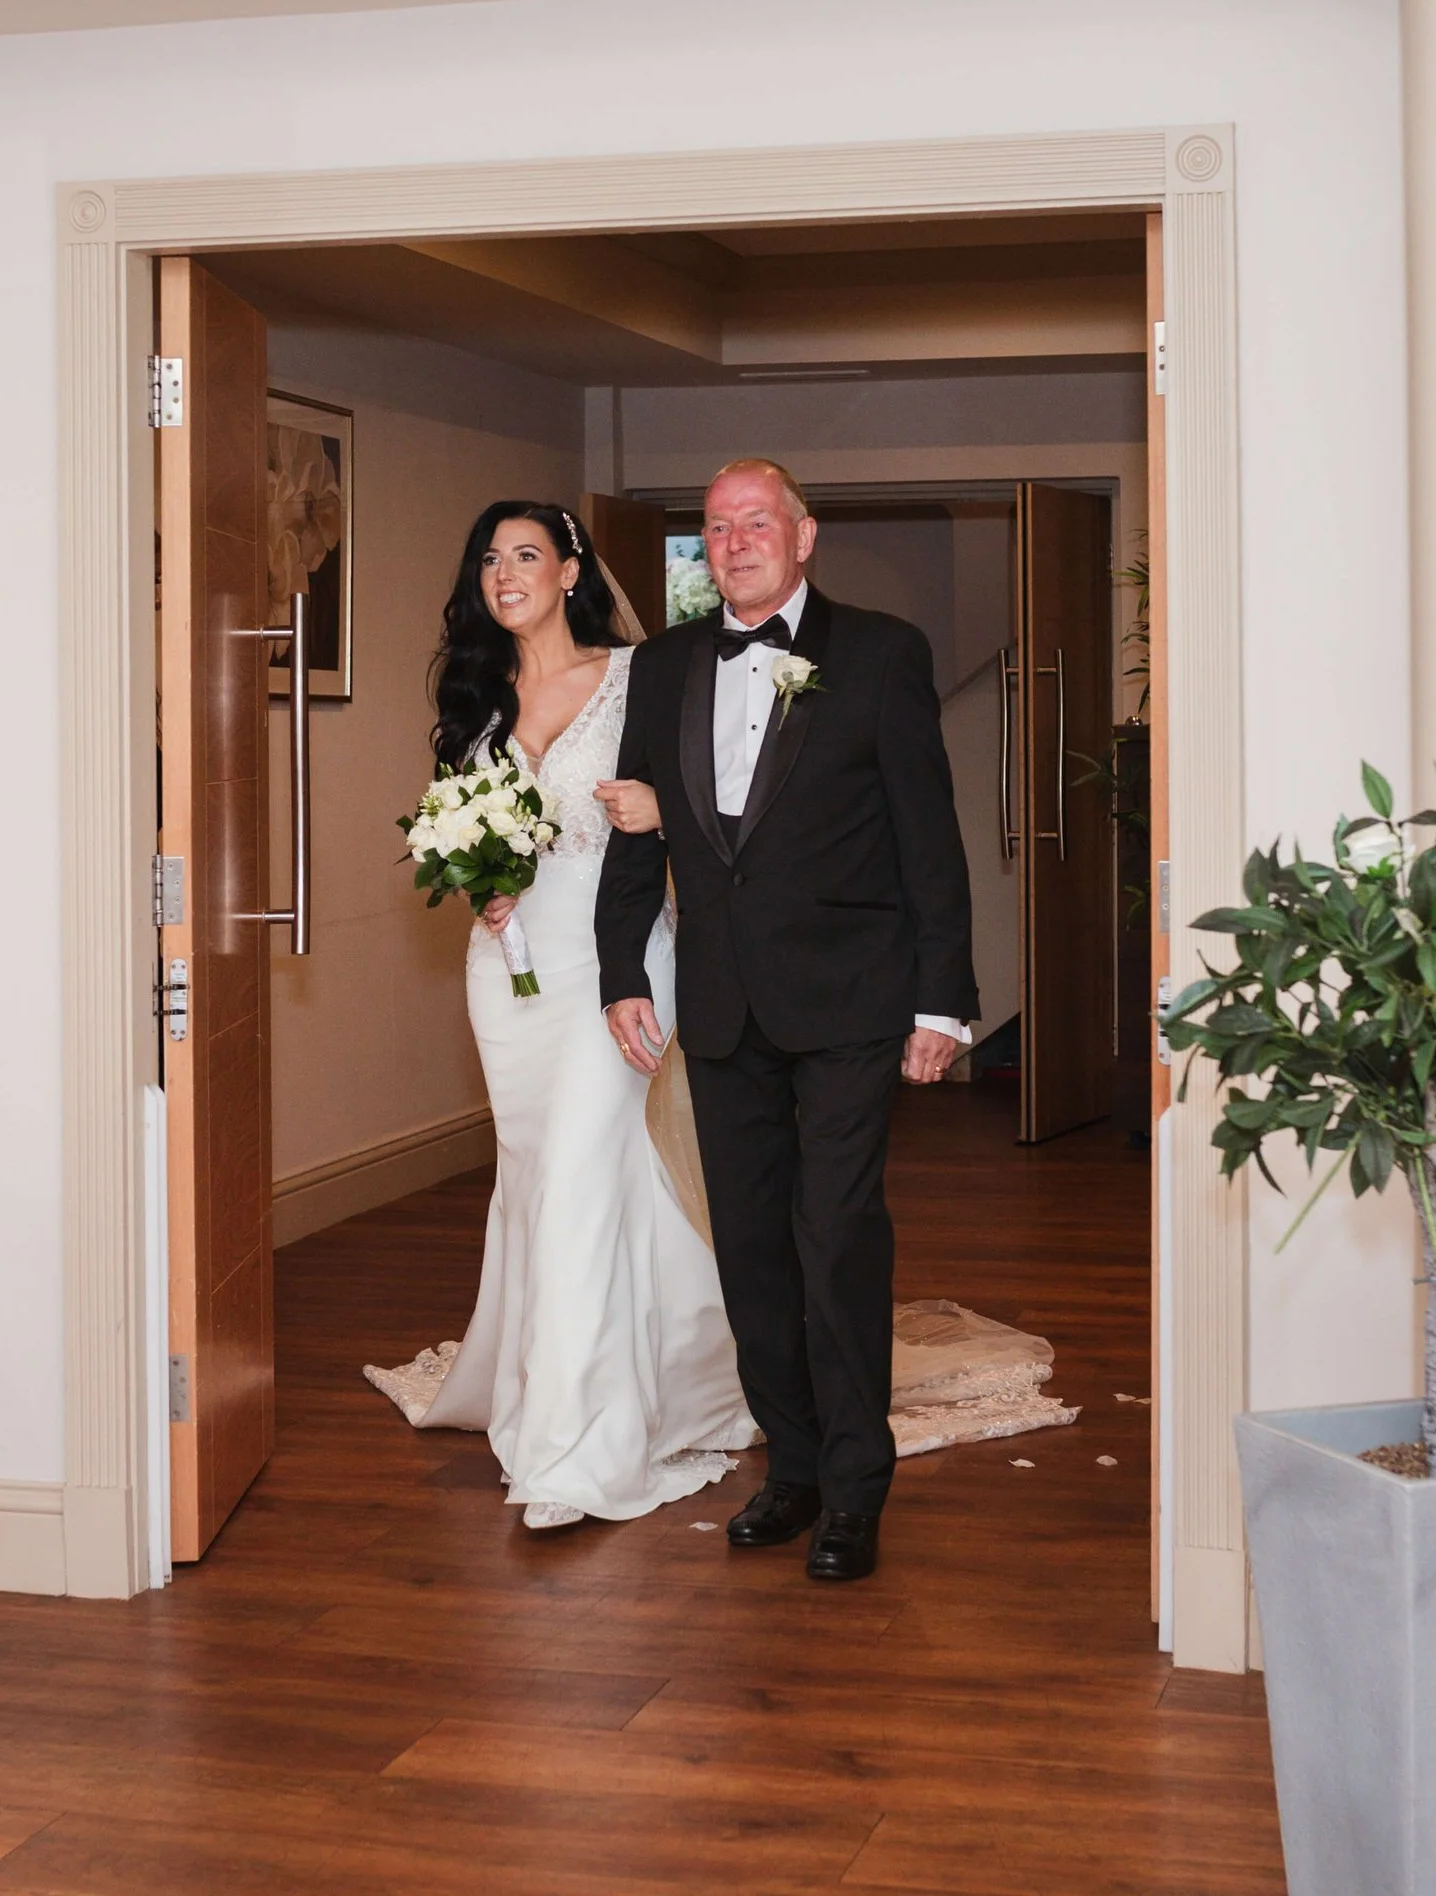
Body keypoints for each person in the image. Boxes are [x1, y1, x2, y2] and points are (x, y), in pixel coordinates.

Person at [595, 458, 979, 1583]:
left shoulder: (882, 653)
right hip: (721, 1004)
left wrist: (944, 998)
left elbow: (928, 835)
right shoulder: (665, 665)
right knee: (752, 1244)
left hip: (852, 997)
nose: (736, 542)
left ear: (804, 536)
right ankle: (794, 1464)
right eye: (717, 527)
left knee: (836, 1232)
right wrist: (623, 969)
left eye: (757, 522)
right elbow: (638, 830)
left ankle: (856, 1485)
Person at [365, 501, 756, 1529]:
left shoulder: (634, 678)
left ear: (571, 571)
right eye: (490, 558)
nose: (505, 573)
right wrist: (480, 883)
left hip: (615, 961)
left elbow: (726, 802)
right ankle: (677, 1372)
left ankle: (574, 1452)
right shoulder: (475, 697)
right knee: (547, 1179)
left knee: (581, 1175)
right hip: (506, 973)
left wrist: (665, 811)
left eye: (527, 555)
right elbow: (458, 823)